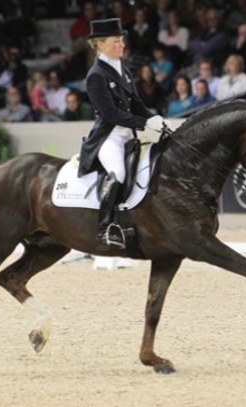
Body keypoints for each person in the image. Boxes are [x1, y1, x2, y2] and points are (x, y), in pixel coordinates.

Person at [77, 18, 167, 247]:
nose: (122, 45)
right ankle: (105, 227)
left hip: (128, 134)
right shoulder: (96, 75)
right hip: (109, 137)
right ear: (100, 44)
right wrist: (143, 124)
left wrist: (153, 118)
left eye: (122, 40)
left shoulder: (123, 70)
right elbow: (110, 114)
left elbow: (136, 103)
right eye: (116, 41)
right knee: (118, 171)